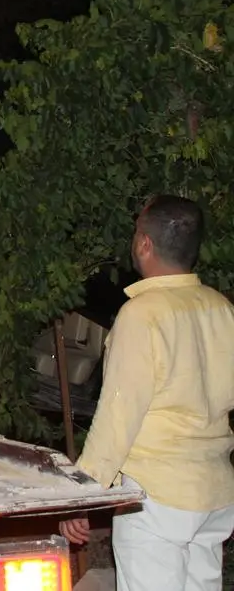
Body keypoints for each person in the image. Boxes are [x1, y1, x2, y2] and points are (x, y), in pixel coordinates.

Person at [58, 195, 234, 591]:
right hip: (215, 492)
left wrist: (84, 495)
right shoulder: (220, 308)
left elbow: (118, 417)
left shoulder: (142, 313)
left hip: (158, 496)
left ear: (144, 244)